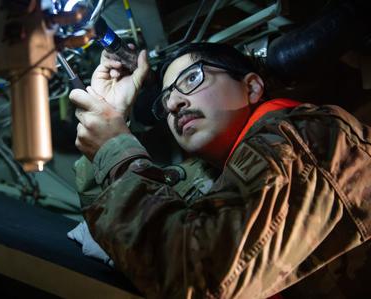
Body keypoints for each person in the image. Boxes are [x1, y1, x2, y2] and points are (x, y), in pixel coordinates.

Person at [68, 42, 371, 298]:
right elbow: (121, 237)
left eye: (191, 79)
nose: (172, 103)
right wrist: (110, 118)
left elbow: (197, 276)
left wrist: (117, 152)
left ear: (251, 87)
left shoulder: (304, 138)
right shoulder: (213, 178)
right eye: (166, 98)